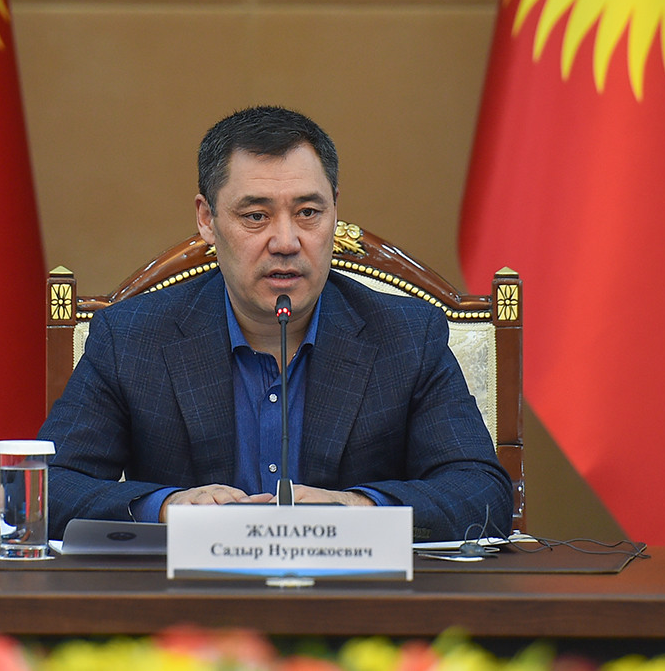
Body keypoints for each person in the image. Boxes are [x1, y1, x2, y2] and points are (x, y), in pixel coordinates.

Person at [38, 106, 514, 540]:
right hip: (189, 600)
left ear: (335, 211)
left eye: (308, 213)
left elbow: (481, 492)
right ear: (207, 219)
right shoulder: (132, 338)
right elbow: (48, 487)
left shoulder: (407, 335)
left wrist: (358, 508)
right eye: (256, 216)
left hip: (355, 597)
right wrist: (166, 508)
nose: (286, 241)